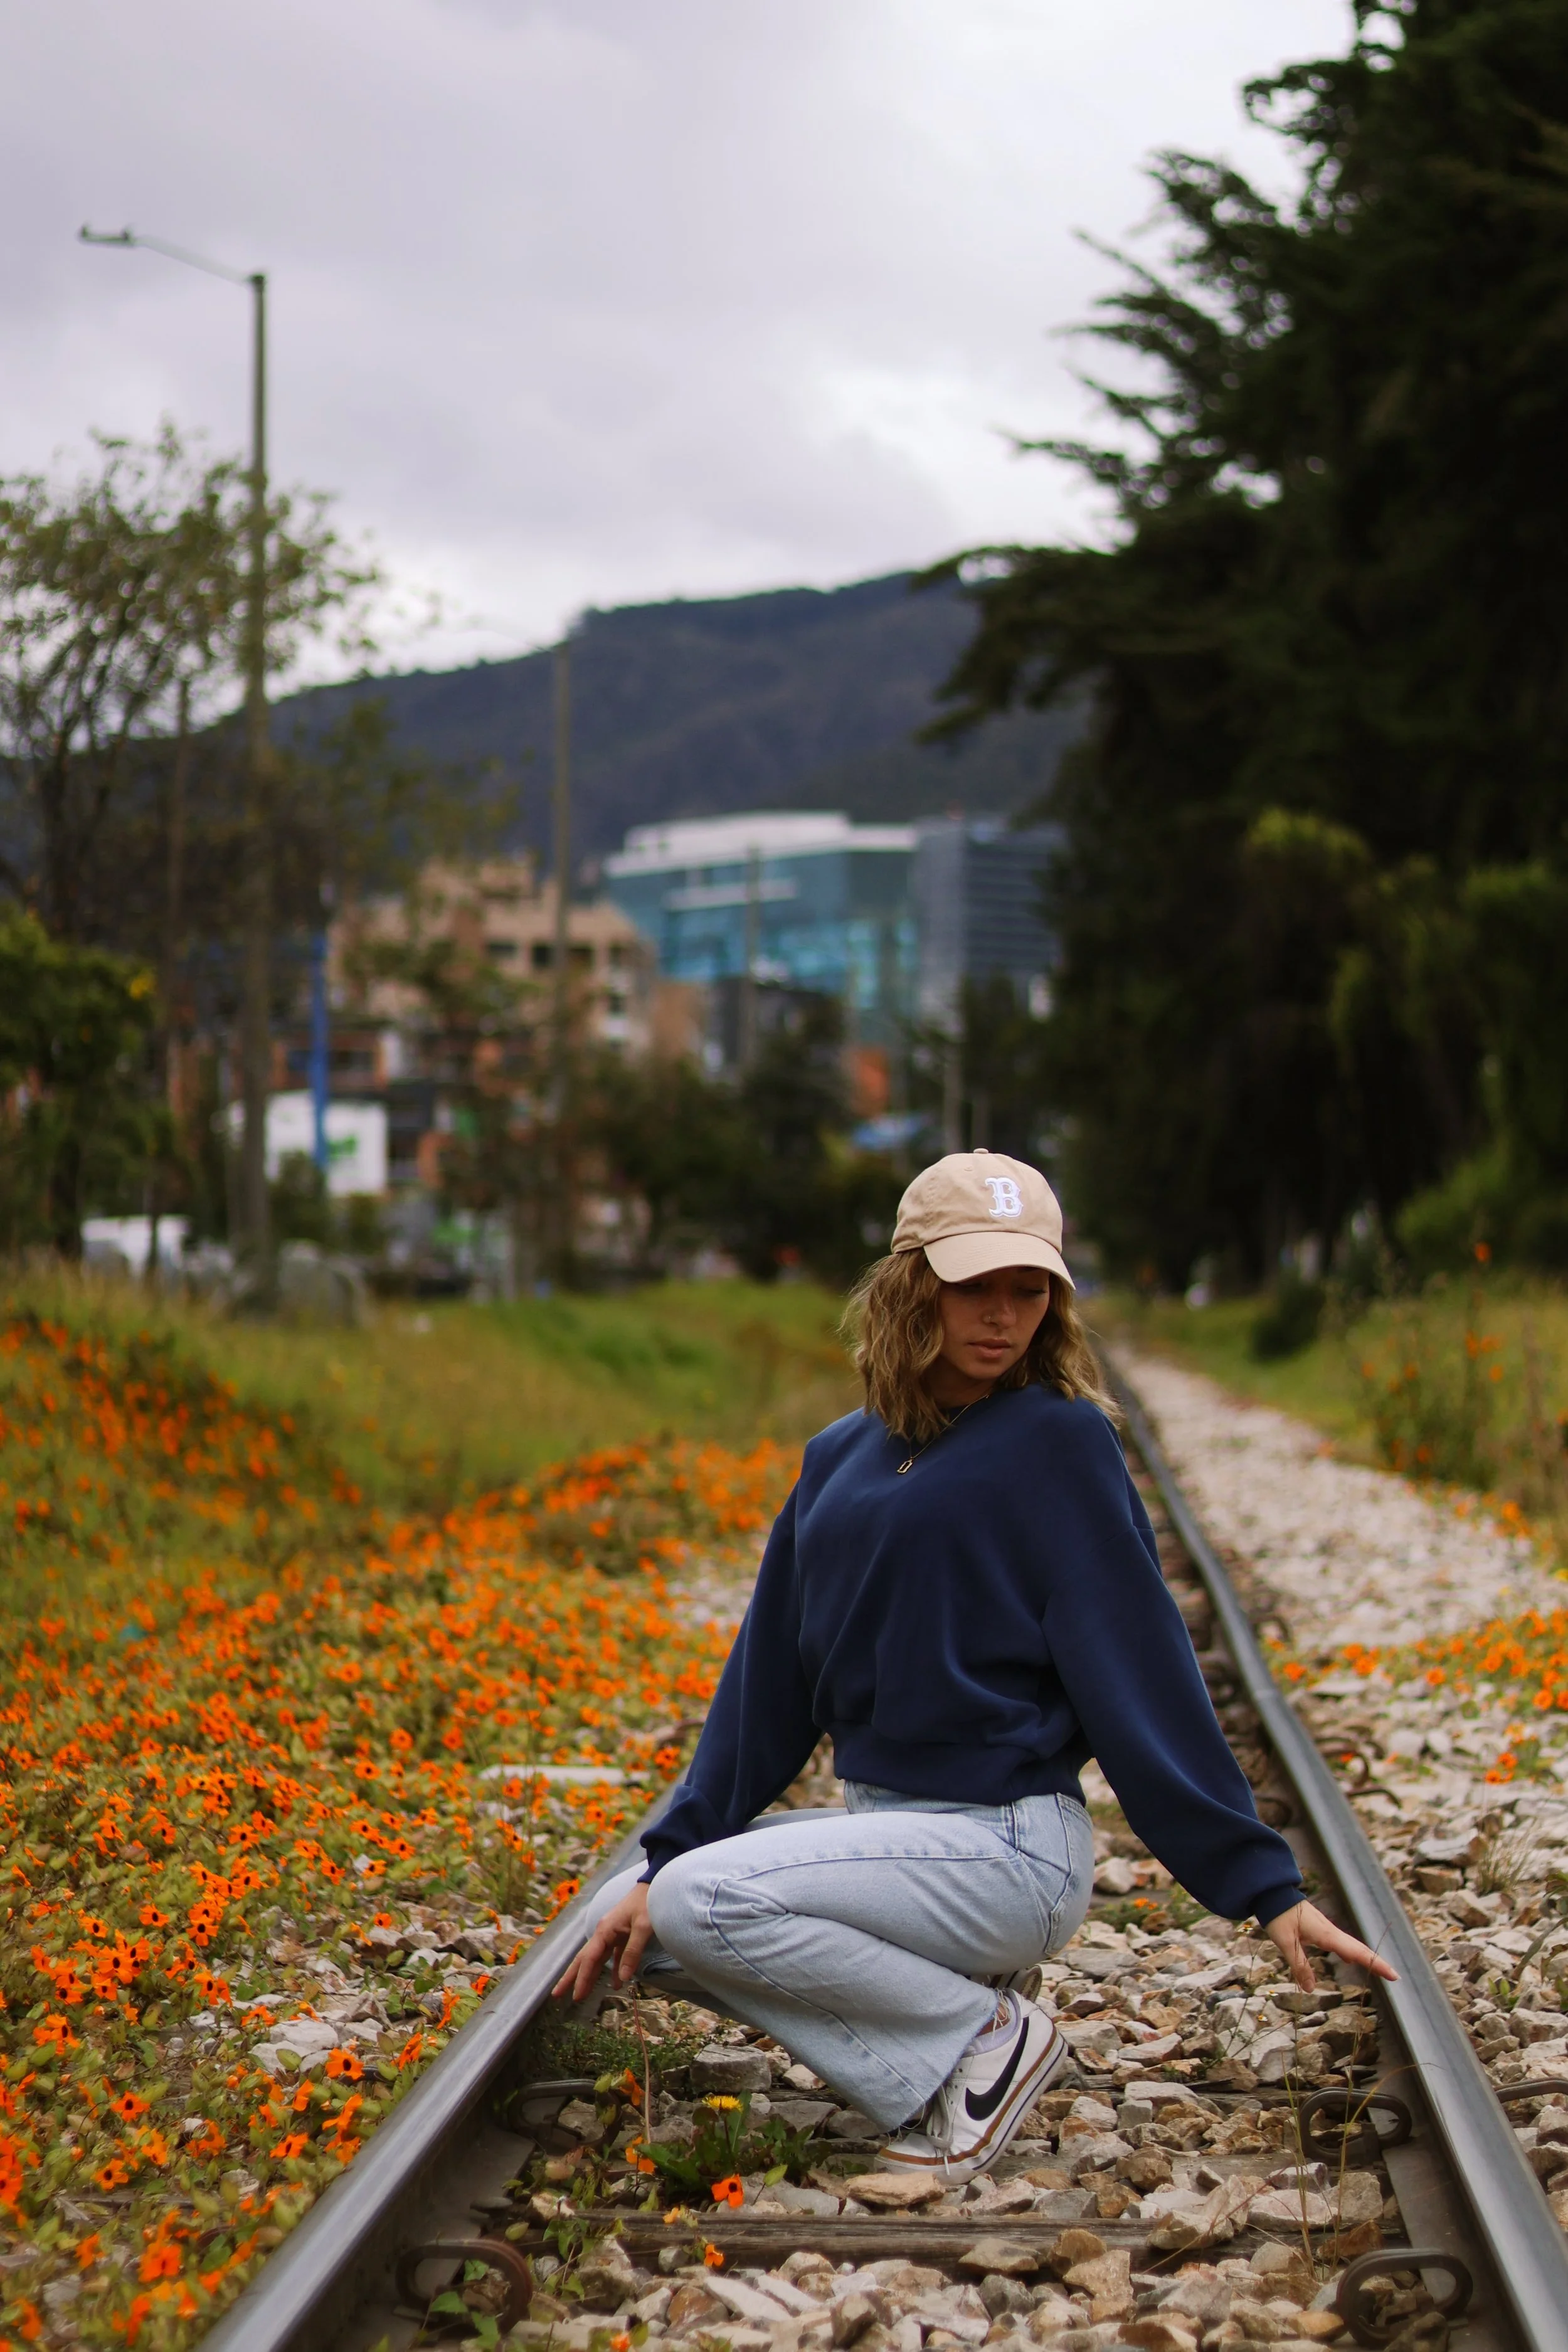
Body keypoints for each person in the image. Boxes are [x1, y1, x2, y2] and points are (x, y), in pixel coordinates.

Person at [555, 1150, 1395, 2183]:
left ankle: (980, 2047)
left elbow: (1143, 1675)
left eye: (1028, 1288)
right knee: (648, 1919)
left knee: (701, 1901)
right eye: (975, 1286)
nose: (1003, 1315)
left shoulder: (1061, 1444)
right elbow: (764, 1692)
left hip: (1007, 1852)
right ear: (915, 1283)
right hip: (893, 1842)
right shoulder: (838, 1459)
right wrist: (660, 1857)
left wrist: (1262, 1883)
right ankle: (959, 2044)